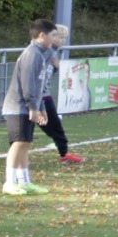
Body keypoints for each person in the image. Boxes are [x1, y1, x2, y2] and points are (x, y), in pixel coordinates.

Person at [0, 19, 58, 196]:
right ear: (42, 35)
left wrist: (41, 107)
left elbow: (39, 85)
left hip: (27, 106)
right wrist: (32, 106)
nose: (55, 39)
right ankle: (9, 182)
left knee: (25, 143)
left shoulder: (41, 54)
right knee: (18, 143)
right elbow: (27, 84)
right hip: (18, 106)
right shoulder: (32, 54)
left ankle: (24, 182)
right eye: (53, 35)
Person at [38, 24, 85, 166]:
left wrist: (58, 67)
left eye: (65, 38)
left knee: (52, 125)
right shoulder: (45, 52)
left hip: (43, 95)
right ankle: (64, 153)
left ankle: (64, 153)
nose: (63, 40)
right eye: (60, 37)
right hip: (38, 96)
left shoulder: (54, 53)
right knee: (51, 126)